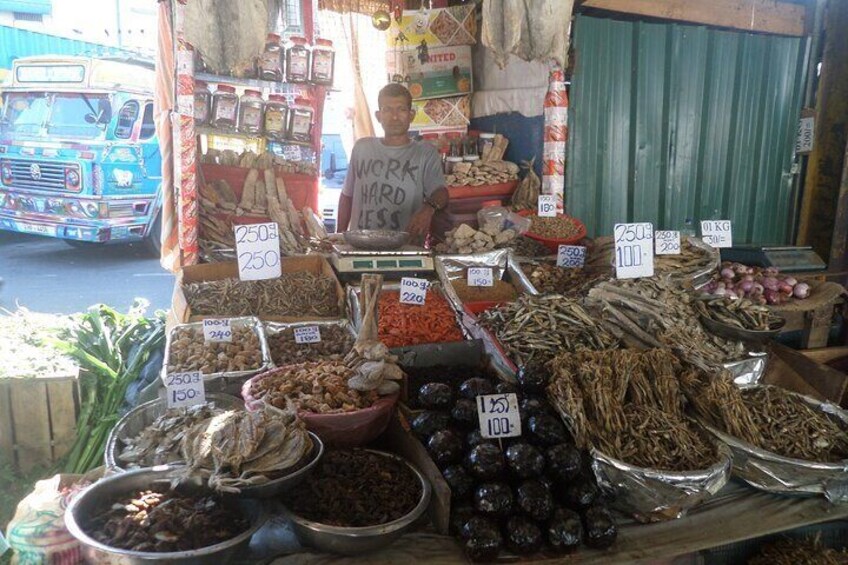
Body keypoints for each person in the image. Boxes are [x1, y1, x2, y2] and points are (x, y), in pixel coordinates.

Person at [337, 83, 449, 241]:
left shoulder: (425, 153)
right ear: (378, 116)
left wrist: (428, 208)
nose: (394, 117)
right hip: (361, 247)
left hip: (405, 249)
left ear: (411, 115)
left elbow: (441, 192)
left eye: (401, 109)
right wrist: (339, 237)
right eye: (387, 110)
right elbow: (347, 196)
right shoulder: (362, 148)